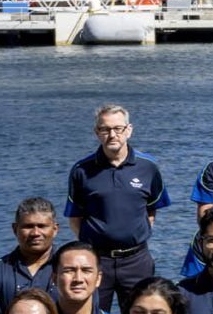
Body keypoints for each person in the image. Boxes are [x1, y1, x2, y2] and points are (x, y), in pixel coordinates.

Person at [67, 105, 169, 293]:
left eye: (118, 129)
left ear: (128, 130)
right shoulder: (81, 170)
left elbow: (152, 208)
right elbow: (75, 218)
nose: (112, 135)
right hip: (96, 260)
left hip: (137, 260)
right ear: (97, 132)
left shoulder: (148, 167)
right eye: (105, 129)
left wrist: (136, 235)